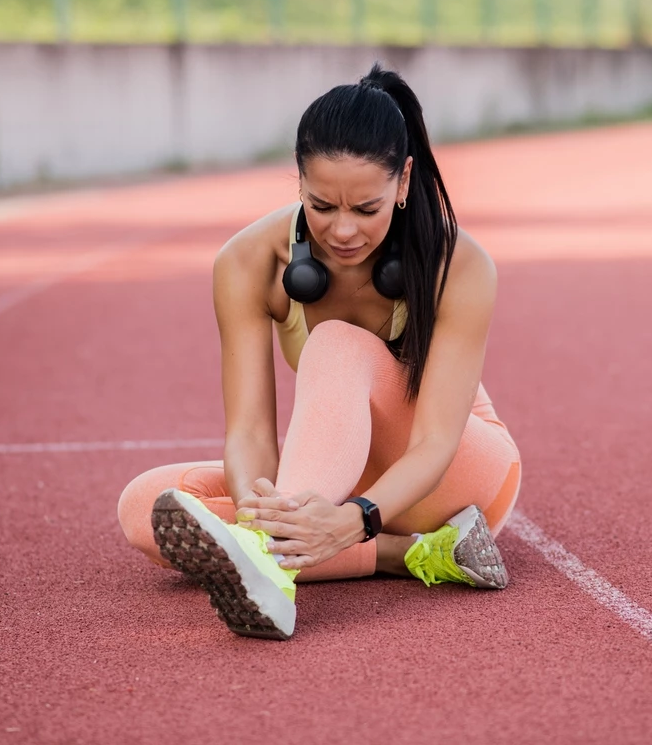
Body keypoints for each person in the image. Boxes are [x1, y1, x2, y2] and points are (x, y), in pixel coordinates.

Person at [117, 63, 521, 640]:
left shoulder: (458, 264)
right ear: (298, 181)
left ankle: (274, 574)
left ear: (404, 182)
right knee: (147, 505)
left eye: (366, 208)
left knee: (332, 344)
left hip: (455, 478)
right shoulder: (247, 262)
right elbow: (252, 433)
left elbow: (435, 442)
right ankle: (406, 555)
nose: (344, 231)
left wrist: (357, 518)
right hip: (337, 487)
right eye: (322, 206)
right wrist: (267, 512)